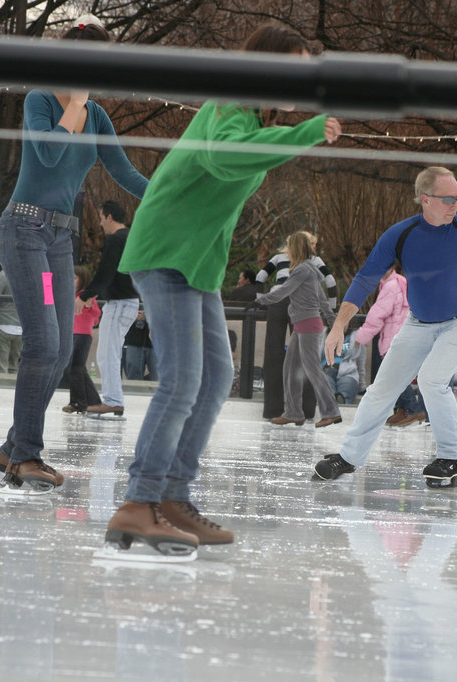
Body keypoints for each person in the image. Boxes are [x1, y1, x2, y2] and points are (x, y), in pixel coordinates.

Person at [105, 22, 341, 556]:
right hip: (167, 252)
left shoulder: (251, 116)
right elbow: (227, 157)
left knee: (217, 377)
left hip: (196, 263)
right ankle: (139, 503)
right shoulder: (229, 107)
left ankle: (173, 498)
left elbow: (243, 157)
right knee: (184, 380)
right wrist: (306, 133)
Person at [0, 15, 149, 493]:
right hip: (23, 231)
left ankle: (13, 448)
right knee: (43, 345)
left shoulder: (98, 115)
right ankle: (27, 456)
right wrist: (73, 105)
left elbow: (123, 171)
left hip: (60, 241)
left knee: (61, 351)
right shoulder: (39, 100)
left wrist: (171, 198)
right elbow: (48, 154)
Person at [313, 166, 457, 488]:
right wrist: (339, 326)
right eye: (449, 199)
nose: (456, 204)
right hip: (418, 323)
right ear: (425, 199)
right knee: (380, 390)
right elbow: (365, 279)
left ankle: (452, 458)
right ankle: (348, 457)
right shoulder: (401, 234)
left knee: (432, 380)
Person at [254, 231, 342, 428]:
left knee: (312, 369)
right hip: (303, 325)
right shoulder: (309, 268)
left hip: (308, 326)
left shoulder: (302, 270)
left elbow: (282, 291)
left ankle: (331, 411)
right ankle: (293, 412)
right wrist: (331, 318)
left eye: (289, 247)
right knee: (291, 368)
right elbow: (322, 298)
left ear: (295, 248)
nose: (287, 251)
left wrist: (260, 300)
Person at [77, 199, 139, 417]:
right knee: (108, 352)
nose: (100, 224)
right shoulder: (129, 236)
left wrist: (84, 295)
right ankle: (113, 399)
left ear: (109, 217)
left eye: (101, 218)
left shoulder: (116, 239)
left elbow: (105, 273)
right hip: (126, 301)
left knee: (107, 353)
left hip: (120, 303)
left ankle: (113, 400)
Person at [353, 264, 425, 427]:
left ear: (390, 267)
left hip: (394, 339)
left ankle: (413, 410)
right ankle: (402, 410)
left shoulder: (391, 286)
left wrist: (361, 337)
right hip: (403, 336)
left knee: (396, 377)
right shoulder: (401, 282)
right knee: (397, 375)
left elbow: (377, 314)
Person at [64, 266, 102, 413]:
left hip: (83, 335)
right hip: (73, 334)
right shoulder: (72, 295)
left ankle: (79, 402)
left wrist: (90, 306)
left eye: (74, 278)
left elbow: (97, 315)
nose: (71, 281)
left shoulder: (85, 296)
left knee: (75, 368)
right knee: (78, 369)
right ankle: (89, 401)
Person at [0, 270, 23, 374]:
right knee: (14, 366)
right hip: (21, 326)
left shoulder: (3, 275)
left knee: (0, 366)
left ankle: (0, 388)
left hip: (2, 324)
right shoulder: (32, 275)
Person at [323, 332, 365, 404]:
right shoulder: (322, 335)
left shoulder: (357, 337)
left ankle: (342, 400)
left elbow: (360, 364)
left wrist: (362, 386)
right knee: (326, 384)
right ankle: (331, 400)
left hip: (348, 373)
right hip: (326, 371)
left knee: (347, 386)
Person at [123, 308, 156, 381]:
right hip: (133, 340)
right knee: (133, 379)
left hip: (157, 340)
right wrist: (131, 316)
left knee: (158, 378)